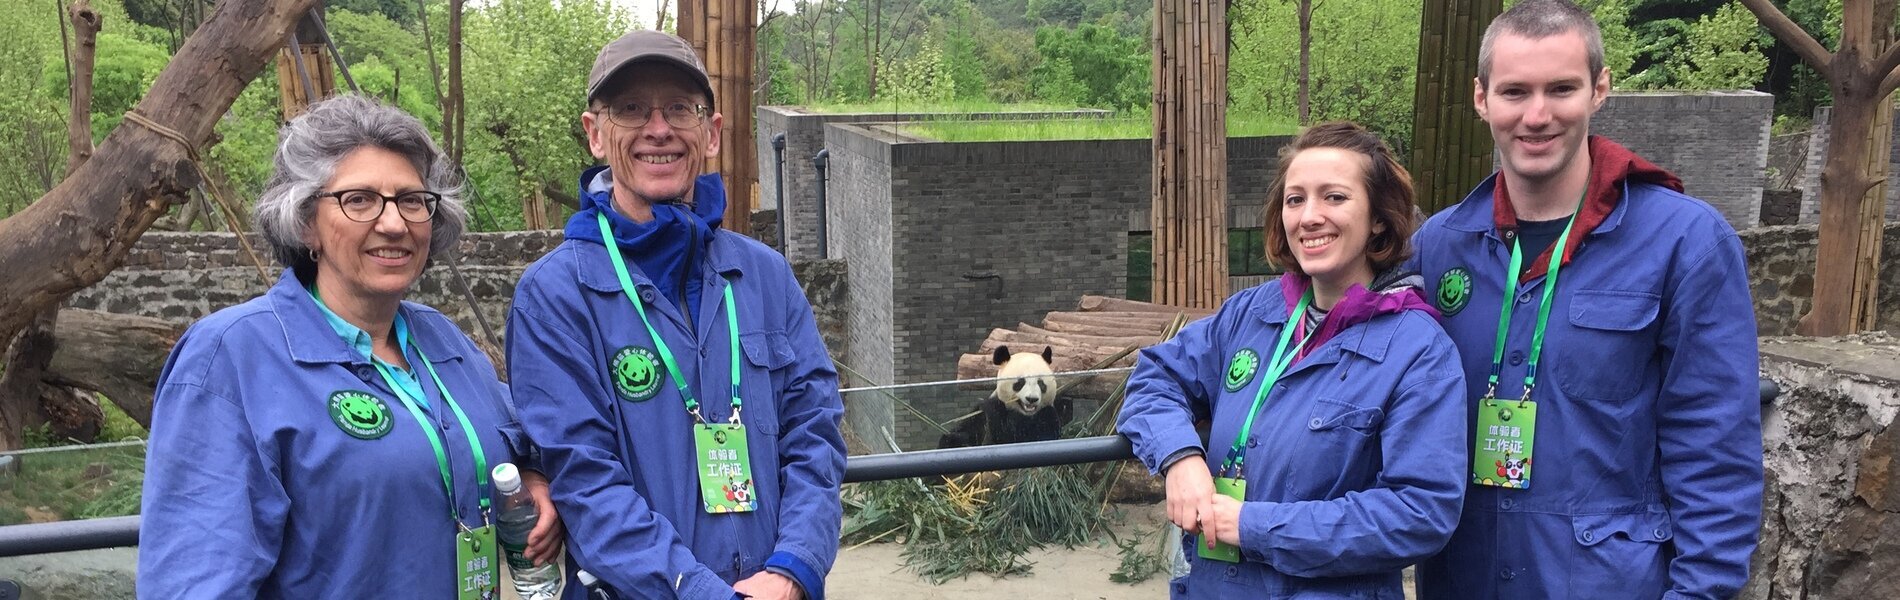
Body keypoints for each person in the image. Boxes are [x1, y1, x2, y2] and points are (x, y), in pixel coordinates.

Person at [138, 94, 564, 598]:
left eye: (411, 200)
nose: (393, 223)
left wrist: (534, 473)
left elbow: (521, 425)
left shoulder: (442, 340)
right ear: (303, 222)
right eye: (358, 199)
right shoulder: (230, 359)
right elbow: (195, 584)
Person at [1410, 1, 1763, 598]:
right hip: (1461, 576)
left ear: (1600, 89)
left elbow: (1715, 444)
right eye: (1515, 91)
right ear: (1481, 98)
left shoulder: (1685, 242)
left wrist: (1700, 591)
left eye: (1562, 89)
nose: (1538, 115)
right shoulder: (1437, 247)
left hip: (1606, 581)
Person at [506, 30, 845, 600]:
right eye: (631, 109)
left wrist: (793, 567)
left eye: (679, 109)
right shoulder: (554, 296)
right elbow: (586, 482)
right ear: (595, 134)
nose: (657, 129)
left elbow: (815, 433)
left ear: (711, 134)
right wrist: (704, 592)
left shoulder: (765, 275)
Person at [1117, 121, 1467, 598]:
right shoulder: (1250, 313)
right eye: (1295, 198)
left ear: (1379, 218)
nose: (1309, 217)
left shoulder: (1419, 351)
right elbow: (1154, 376)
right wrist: (1180, 458)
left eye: (1335, 198)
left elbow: (1418, 513)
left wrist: (1254, 525)